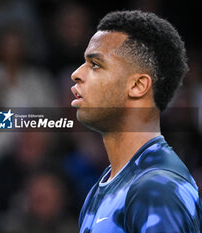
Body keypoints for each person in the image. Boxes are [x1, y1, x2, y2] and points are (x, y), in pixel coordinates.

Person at [70, 10, 201, 232]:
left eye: (95, 64)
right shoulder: (103, 186)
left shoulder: (157, 189)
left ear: (138, 86)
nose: (76, 74)